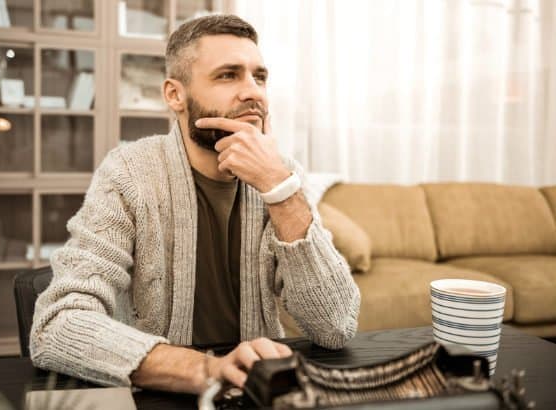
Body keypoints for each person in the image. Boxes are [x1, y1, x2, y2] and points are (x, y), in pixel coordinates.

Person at [30, 14, 360, 394]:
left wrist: (279, 189)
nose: (253, 92)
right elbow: (57, 325)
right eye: (228, 75)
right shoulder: (128, 173)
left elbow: (336, 325)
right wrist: (209, 370)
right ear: (175, 95)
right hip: (161, 393)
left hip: (258, 392)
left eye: (259, 76)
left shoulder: (283, 176)